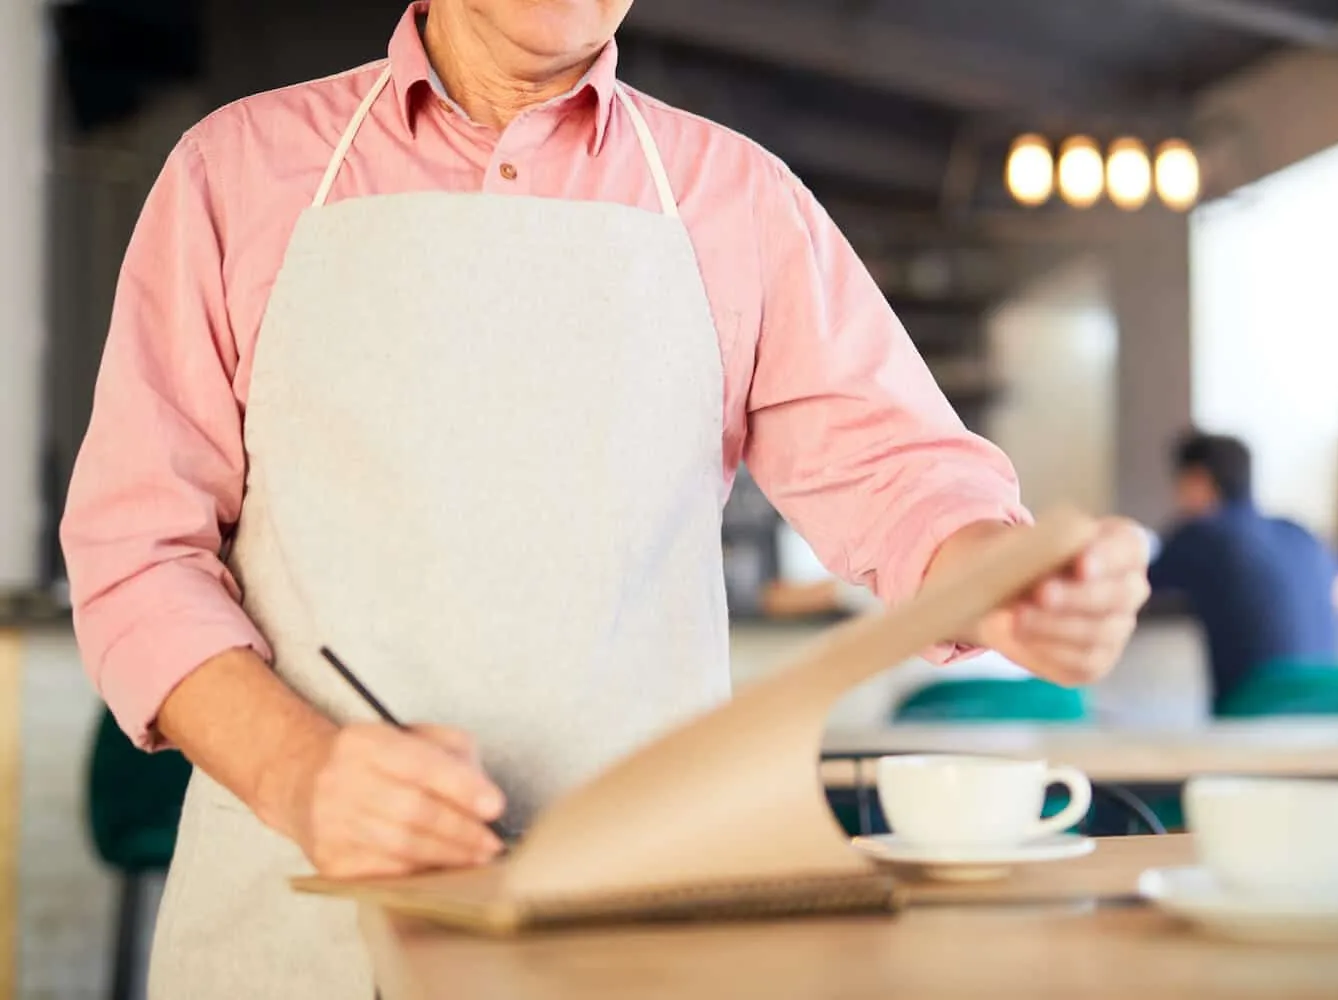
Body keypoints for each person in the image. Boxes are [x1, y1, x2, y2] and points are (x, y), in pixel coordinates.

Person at [60, 3, 1150, 996]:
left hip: (639, 919)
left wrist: (1004, 583)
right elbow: (134, 553)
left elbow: (903, 478)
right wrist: (301, 773)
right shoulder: (234, 171)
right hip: (302, 918)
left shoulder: (742, 197)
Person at [1148, 432, 1338, 712]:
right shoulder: (1300, 532)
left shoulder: (1200, 534)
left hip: (1256, 714)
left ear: (1196, 480)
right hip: (1331, 707)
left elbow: (1129, 586)